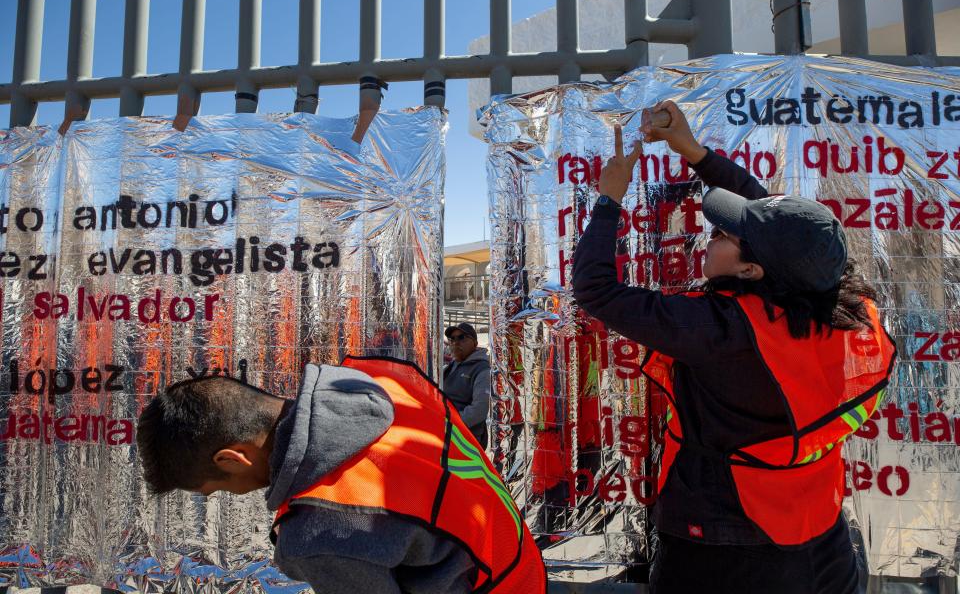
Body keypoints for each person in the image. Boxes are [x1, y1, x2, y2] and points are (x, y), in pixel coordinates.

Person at [571, 101, 896, 594]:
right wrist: (694, 153)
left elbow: (596, 289)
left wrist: (609, 199)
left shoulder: (722, 331)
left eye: (721, 234)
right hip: (818, 524)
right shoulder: (840, 299)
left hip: (723, 537)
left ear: (750, 270)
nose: (708, 237)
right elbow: (777, 222)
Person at [136, 356, 546, 593]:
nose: (223, 496)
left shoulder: (319, 529)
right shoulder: (372, 386)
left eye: (210, 490)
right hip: (516, 560)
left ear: (233, 458)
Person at [442, 322, 492, 449]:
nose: (456, 342)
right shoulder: (449, 367)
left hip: (466, 441)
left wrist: (448, 424)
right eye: (452, 339)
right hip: (447, 436)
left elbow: (479, 410)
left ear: (474, 343)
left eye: (462, 337)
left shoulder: (482, 369)